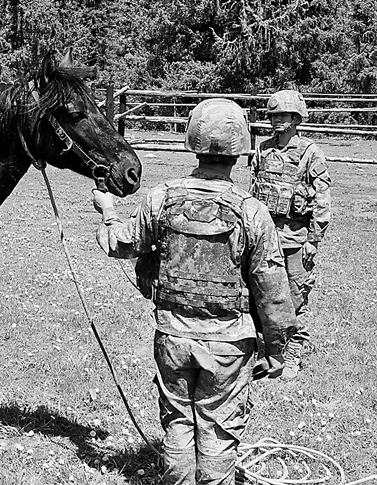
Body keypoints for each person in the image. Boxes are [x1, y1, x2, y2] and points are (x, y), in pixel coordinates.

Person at [92, 98, 296, 485]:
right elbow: (273, 294)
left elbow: (120, 243)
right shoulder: (251, 211)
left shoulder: (161, 197)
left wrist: (108, 210)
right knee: (217, 431)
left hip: (172, 338)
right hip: (228, 345)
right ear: (240, 148)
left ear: (192, 142)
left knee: (178, 424)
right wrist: (276, 351)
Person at [250, 89, 331, 380]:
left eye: (283, 115)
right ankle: (267, 349)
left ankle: (293, 352)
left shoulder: (310, 152)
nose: (276, 120)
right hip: (264, 239)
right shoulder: (262, 150)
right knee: (260, 294)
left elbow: (322, 200)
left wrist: (313, 240)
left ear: (296, 119)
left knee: (296, 297)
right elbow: (253, 193)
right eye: (273, 115)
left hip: (295, 239)